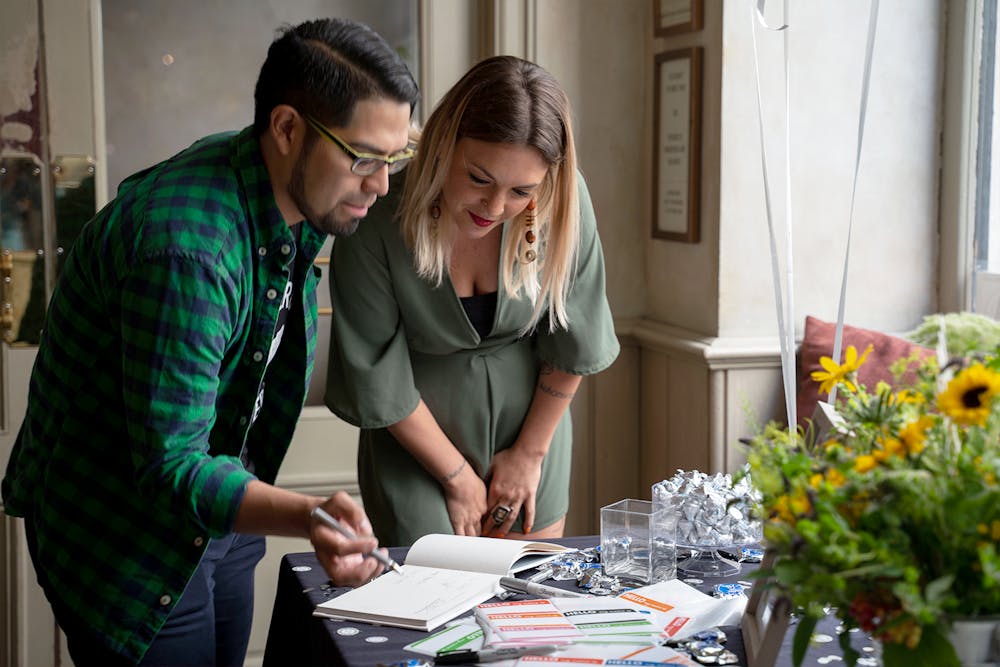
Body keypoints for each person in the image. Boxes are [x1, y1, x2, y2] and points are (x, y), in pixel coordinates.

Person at [1, 17, 418, 667]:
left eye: (395, 158)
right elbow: (171, 465)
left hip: (218, 516)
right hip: (123, 538)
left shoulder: (282, 189)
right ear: (286, 129)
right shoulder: (190, 251)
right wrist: (311, 517)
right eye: (363, 157)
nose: (382, 184)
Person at [325, 55, 620, 547]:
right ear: (445, 144)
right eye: (479, 178)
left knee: (529, 604)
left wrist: (529, 455)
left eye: (521, 191)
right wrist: (456, 476)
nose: (495, 207)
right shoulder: (375, 218)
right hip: (418, 446)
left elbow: (577, 339)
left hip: (533, 433)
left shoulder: (563, 201)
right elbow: (375, 373)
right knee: (434, 608)